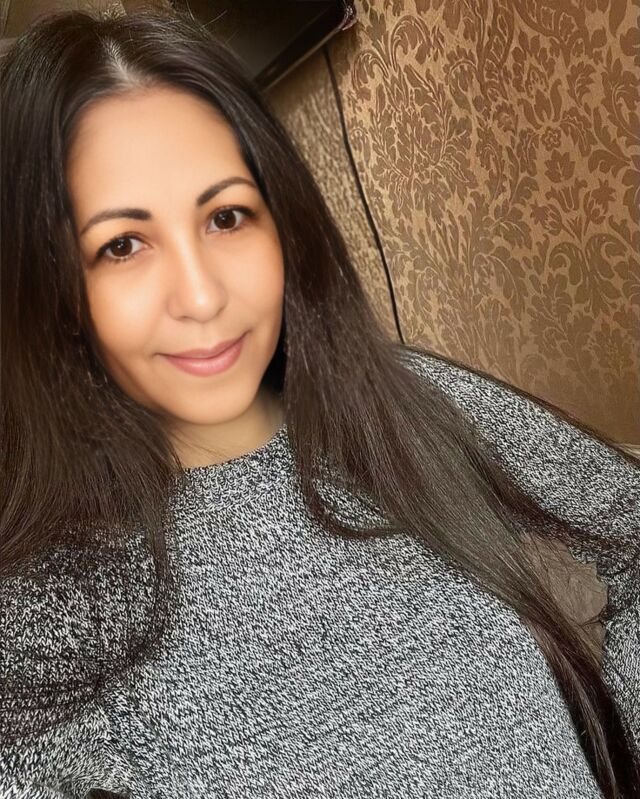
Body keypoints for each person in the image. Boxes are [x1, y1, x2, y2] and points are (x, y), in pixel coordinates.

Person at [0, 7, 638, 799]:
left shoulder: (405, 403)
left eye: (227, 216)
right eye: (121, 245)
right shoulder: (49, 593)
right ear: (48, 286)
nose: (201, 295)